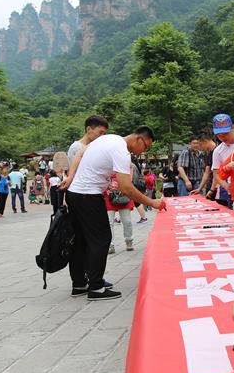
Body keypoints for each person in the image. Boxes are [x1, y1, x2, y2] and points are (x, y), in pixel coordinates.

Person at [65, 126, 163, 301]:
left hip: (75, 193)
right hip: (88, 196)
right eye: (146, 147)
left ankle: (80, 284)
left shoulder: (108, 139)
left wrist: (70, 178)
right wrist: (152, 202)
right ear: (138, 139)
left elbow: (79, 155)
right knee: (101, 239)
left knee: (81, 240)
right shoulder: (121, 151)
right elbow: (126, 186)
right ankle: (96, 288)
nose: (143, 152)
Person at [63, 115, 110, 189]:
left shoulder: (96, 146)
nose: (102, 136)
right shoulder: (77, 147)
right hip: (82, 189)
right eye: (100, 133)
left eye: (104, 134)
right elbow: (74, 172)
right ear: (88, 129)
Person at [206, 114, 234, 208]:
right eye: (219, 135)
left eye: (226, 133)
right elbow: (216, 173)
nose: (223, 137)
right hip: (233, 192)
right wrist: (226, 186)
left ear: (233, 128)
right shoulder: (218, 151)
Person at [104, 172, 135, 253]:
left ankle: (129, 240)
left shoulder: (123, 164)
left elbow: (130, 176)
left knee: (127, 221)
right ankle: (110, 245)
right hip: (109, 197)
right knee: (109, 223)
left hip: (123, 196)